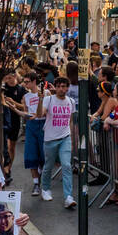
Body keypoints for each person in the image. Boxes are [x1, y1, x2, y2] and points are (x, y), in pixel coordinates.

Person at [40, 75, 78, 208]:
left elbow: (71, 120)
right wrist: (40, 99)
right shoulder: (48, 100)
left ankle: (68, 196)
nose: (62, 89)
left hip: (65, 138)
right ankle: (45, 188)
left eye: (64, 86)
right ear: (55, 87)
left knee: (66, 165)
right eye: (59, 86)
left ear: (68, 88)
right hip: (50, 139)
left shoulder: (71, 101)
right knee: (48, 165)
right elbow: (41, 114)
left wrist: (72, 139)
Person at [19, 73, 48, 197]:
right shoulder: (26, 96)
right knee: (30, 154)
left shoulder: (45, 93)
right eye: (24, 82)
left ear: (34, 81)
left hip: (43, 124)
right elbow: (25, 112)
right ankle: (36, 184)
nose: (25, 84)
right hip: (31, 124)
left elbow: (48, 109)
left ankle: (42, 179)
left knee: (43, 154)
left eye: (27, 82)